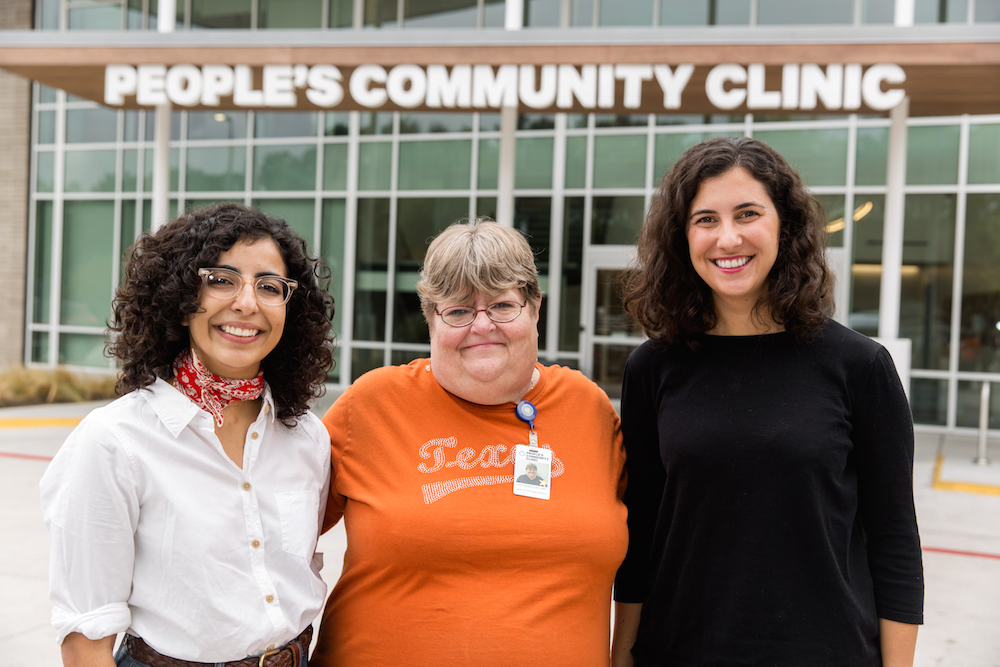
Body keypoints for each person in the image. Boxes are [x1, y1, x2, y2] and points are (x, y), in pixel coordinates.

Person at [612, 137, 924, 667]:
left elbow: (894, 540)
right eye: (704, 219)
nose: (727, 237)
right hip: (680, 651)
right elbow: (641, 535)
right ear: (681, 237)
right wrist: (622, 656)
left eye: (748, 213)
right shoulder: (652, 369)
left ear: (785, 224)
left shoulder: (858, 366)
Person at [309, 219, 628, 666]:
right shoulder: (372, 404)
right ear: (431, 320)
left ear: (535, 309)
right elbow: (271, 537)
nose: (482, 326)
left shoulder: (589, 409)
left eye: (502, 305)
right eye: (458, 310)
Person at [40, 203, 336, 667]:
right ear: (178, 302)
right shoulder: (115, 441)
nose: (247, 303)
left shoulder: (307, 437)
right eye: (221, 279)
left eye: (269, 286)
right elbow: (86, 637)